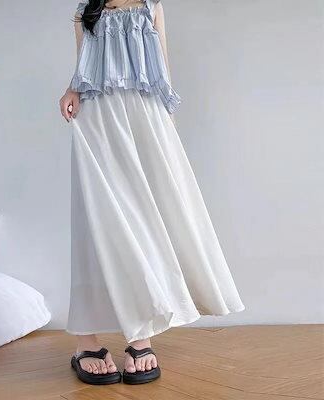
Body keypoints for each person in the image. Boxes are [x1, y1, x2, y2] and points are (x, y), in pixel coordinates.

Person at [59, 0, 245, 385]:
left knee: (146, 221)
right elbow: (83, 67)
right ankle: (85, 340)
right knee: (96, 223)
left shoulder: (151, 6)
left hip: (146, 118)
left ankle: (140, 334)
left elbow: (163, 66)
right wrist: (70, 90)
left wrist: (167, 126)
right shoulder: (86, 11)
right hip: (97, 120)